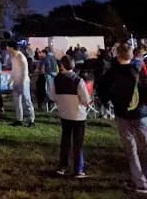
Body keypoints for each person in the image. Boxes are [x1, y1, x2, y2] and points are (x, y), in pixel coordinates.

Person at [98, 43, 147, 193]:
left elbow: (102, 90)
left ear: (118, 55)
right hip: (141, 114)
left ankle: (140, 183)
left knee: (131, 150)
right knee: (145, 146)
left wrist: (108, 101)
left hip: (122, 115)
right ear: (131, 54)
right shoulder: (140, 69)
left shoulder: (112, 72)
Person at [48, 55, 91, 178]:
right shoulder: (78, 81)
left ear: (61, 66)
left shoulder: (55, 80)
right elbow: (85, 100)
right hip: (78, 115)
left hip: (64, 114)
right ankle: (78, 169)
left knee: (65, 141)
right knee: (77, 143)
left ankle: (62, 166)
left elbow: (52, 96)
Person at [7, 41, 35, 127]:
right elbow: (13, 70)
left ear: (12, 48)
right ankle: (19, 119)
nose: (7, 49)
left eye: (8, 47)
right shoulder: (13, 57)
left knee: (27, 100)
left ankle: (31, 120)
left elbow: (24, 72)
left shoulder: (21, 57)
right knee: (17, 101)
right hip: (16, 81)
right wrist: (10, 81)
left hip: (23, 82)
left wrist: (22, 83)